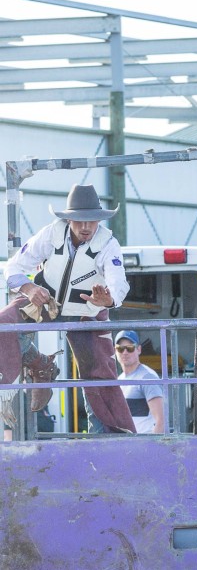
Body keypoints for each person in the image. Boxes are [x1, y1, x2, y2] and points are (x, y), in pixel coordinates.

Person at [0, 184, 137, 434]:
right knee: (4, 324)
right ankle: (40, 364)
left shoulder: (108, 244)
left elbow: (119, 283)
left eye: (91, 221)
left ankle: (108, 436)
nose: (85, 227)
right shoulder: (51, 234)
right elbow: (13, 266)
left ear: (99, 220)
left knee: (100, 374)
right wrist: (29, 288)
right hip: (45, 301)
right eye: (79, 220)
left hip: (87, 311)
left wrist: (108, 300)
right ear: (68, 219)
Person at [113, 331, 165, 434]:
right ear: (115, 351)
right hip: (127, 442)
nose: (125, 352)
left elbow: (162, 421)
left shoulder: (147, 377)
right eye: (120, 348)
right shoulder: (119, 379)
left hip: (144, 442)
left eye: (130, 348)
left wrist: (152, 443)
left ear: (139, 350)